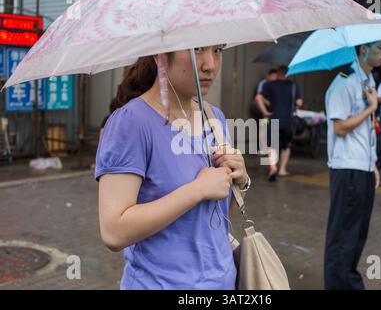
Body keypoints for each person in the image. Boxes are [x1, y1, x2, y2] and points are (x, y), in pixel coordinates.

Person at [95, 46, 251, 289]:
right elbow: (114, 232)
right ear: (161, 55)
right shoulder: (131, 122)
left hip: (224, 282)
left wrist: (239, 179)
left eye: (218, 50)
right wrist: (197, 190)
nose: (210, 64)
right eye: (197, 49)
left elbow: (214, 217)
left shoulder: (214, 117)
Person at [324, 40, 381, 290]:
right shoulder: (344, 81)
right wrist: (371, 107)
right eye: (380, 47)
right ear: (363, 50)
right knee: (343, 235)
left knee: (357, 234)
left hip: (363, 167)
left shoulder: (368, 81)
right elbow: (339, 127)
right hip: (347, 168)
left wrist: (373, 163)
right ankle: (339, 284)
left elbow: (366, 131)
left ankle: (347, 280)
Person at [256, 65, 303, 181]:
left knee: (272, 146)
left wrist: (265, 111)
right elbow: (299, 103)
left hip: (274, 119)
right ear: (287, 73)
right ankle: (282, 169)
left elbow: (258, 98)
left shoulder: (269, 85)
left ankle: (273, 168)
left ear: (278, 73)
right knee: (286, 147)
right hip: (288, 121)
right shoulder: (293, 86)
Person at [253, 69, 278, 155]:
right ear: (269, 76)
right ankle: (262, 148)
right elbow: (258, 97)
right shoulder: (264, 84)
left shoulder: (277, 84)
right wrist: (267, 104)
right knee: (263, 127)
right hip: (266, 112)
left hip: (275, 111)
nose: (275, 78)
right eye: (273, 76)